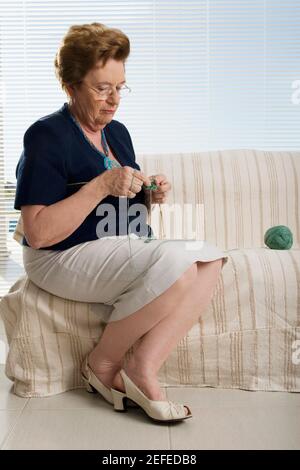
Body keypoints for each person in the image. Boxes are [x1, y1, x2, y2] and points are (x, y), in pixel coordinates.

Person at [14, 22, 228, 423]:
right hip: (59, 255)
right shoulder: (46, 136)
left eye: (120, 87)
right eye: (102, 88)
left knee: (209, 259)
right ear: (71, 86)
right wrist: (101, 185)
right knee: (179, 268)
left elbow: (129, 212)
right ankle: (102, 363)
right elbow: (39, 233)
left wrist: (150, 194)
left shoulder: (119, 133)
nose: (114, 100)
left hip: (112, 245)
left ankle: (142, 367)